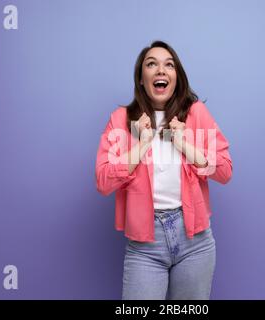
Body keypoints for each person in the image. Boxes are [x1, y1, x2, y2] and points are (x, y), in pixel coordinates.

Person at [95, 40, 232, 300]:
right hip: (145, 245)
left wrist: (185, 145)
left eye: (169, 65)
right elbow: (103, 182)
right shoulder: (122, 120)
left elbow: (224, 171)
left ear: (176, 77)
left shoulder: (195, 114)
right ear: (141, 79)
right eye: (151, 64)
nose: (161, 70)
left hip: (196, 242)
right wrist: (142, 143)